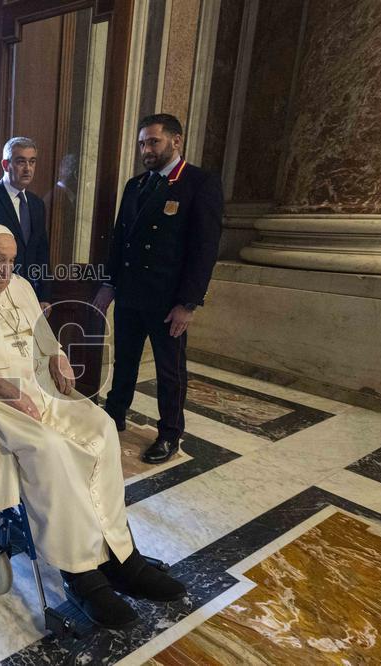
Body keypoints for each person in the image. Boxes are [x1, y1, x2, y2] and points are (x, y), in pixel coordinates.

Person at [0, 224, 186, 628]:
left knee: (103, 427)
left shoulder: (19, 287)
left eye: (11, 261)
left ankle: (121, 556)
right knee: (53, 450)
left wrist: (56, 355)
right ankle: (80, 574)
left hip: (43, 391)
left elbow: (42, 334)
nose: (6, 271)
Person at [94, 113, 223, 464]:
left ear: (175, 141)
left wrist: (189, 303)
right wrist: (109, 285)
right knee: (125, 362)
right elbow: (120, 241)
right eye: (142, 143)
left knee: (170, 371)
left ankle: (169, 434)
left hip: (168, 301)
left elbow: (204, 250)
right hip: (131, 294)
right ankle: (114, 415)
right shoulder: (135, 186)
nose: (146, 149)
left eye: (154, 141)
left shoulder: (198, 183)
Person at [0, 137, 52, 311]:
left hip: (26, 294)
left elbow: (41, 252)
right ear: (5, 164)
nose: (28, 169)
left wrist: (44, 295)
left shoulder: (37, 204)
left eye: (32, 162)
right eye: (21, 162)